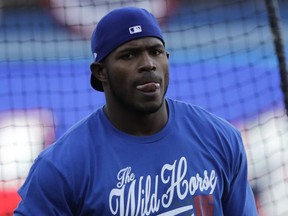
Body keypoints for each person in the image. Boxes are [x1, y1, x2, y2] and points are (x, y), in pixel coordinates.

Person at [14, 6, 258, 216]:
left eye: (155, 51)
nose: (148, 64)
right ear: (101, 72)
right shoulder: (62, 166)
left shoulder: (219, 137)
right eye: (129, 55)